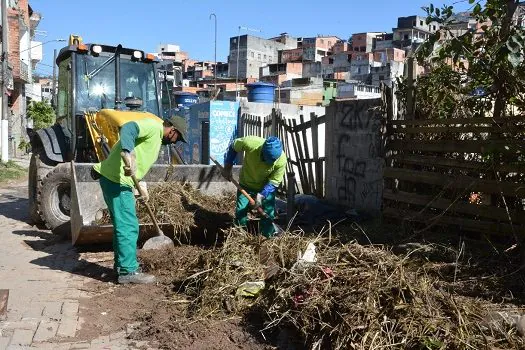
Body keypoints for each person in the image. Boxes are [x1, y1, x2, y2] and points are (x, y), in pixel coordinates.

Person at [91, 116, 188, 284]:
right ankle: (129, 272)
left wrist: (140, 186)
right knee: (128, 226)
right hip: (117, 181)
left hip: (119, 180)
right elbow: (128, 127)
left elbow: (140, 163)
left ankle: (121, 266)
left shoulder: (156, 137)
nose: (175, 143)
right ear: (172, 130)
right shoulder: (153, 126)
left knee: (122, 225)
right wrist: (128, 152)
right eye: (177, 138)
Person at [223, 136, 287, 238]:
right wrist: (228, 166)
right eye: (267, 160)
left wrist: (261, 195)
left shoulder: (281, 160)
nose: (270, 163)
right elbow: (233, 146)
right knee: (241, 211)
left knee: (268, 213)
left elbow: (274, 182)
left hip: (265, 187)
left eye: (273, 160)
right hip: (245, 184)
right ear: (262, 151)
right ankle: (239, 236)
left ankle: (266, 237)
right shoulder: (252, 143)